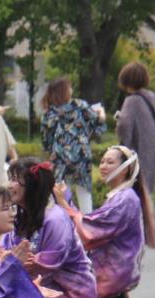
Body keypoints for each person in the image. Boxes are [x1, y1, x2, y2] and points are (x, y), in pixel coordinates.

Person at [4, 158, 98, 298]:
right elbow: (5, 251)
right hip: (40, 284)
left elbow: (47, 265)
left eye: (15, 180)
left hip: (70, 294)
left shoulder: (55, 218)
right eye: (9, 179)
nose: (9, 185)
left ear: (32, 185)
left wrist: (11, 265)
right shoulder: (20, 217)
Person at [53, 145, 155, 298]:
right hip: (112, 267)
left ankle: (111, 295)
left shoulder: (125, 199)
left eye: (110, 162)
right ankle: (116, 297)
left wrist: (65, 204)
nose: (103, 166)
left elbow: (91, 230)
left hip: (113, 270)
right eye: (102, 161)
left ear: (125, 168)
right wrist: (67, 200)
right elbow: (92, 223)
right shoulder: (122, 196)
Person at [40, 77, 106, 214]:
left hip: (59, 158)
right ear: (64, 91)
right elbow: (97, 124)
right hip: (81, 155)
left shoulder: (49, 113)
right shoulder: (79, 105)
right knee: (84, 193)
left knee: (62, 193)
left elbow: (46, 141)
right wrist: (102, 115)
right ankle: (87, 224)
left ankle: (64, 223)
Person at [116, 61, 155, 195]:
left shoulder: (131, 101)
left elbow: (124, 127)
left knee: (134, 193)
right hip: (151, 149)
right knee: (147, 192)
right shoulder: (152, 97)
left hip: (135, 152)